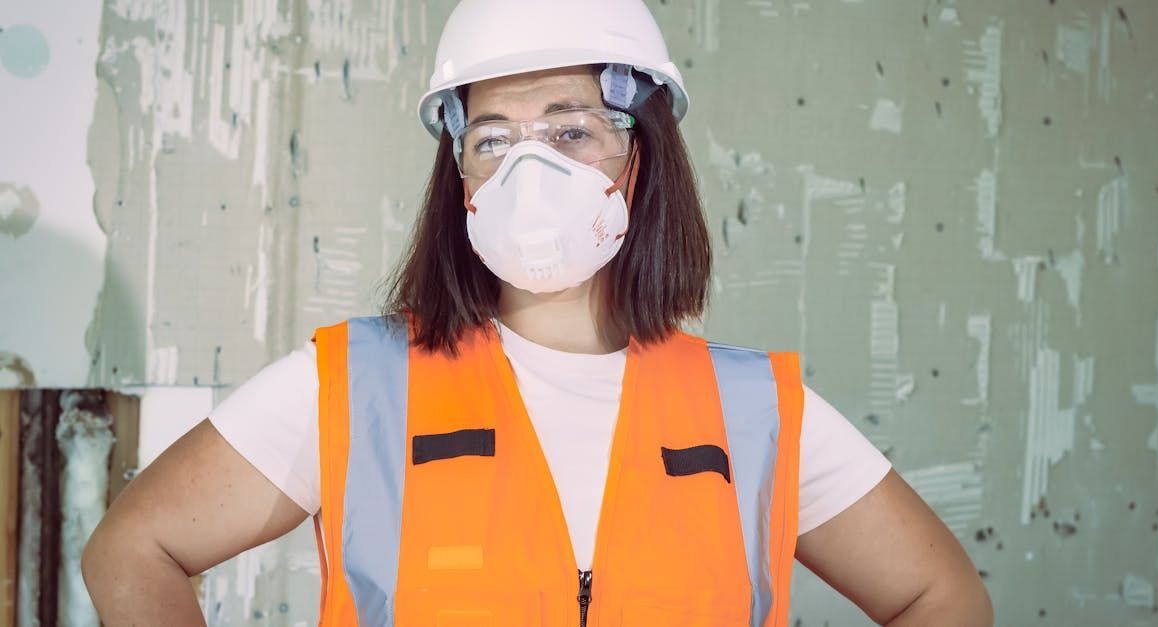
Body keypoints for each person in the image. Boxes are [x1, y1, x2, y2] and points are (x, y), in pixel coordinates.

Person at [83, 1, 992, 625]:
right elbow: (135, 548)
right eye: (493, 138)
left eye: (570, 130)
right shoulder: (360, 388)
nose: (530, 170)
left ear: (640, 160)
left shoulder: (752, 411)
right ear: (461, 173)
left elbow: (943, 595)